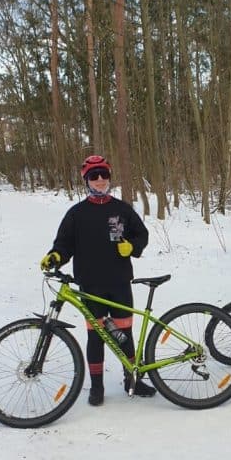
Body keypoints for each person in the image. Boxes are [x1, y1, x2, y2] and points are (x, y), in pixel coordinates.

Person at [40, 154, 156, 405]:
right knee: (97, 336)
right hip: (90, 285)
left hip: (120, 282)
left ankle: (131, 379)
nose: (100, 180)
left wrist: (133, 247)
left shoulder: (122, 209)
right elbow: (64, 244)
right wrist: (55, 257)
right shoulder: (76, 214)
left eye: (104, 175)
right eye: (94, 176)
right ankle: (97, 387)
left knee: (124, 332)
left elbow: (141, 235)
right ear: (86, 180)